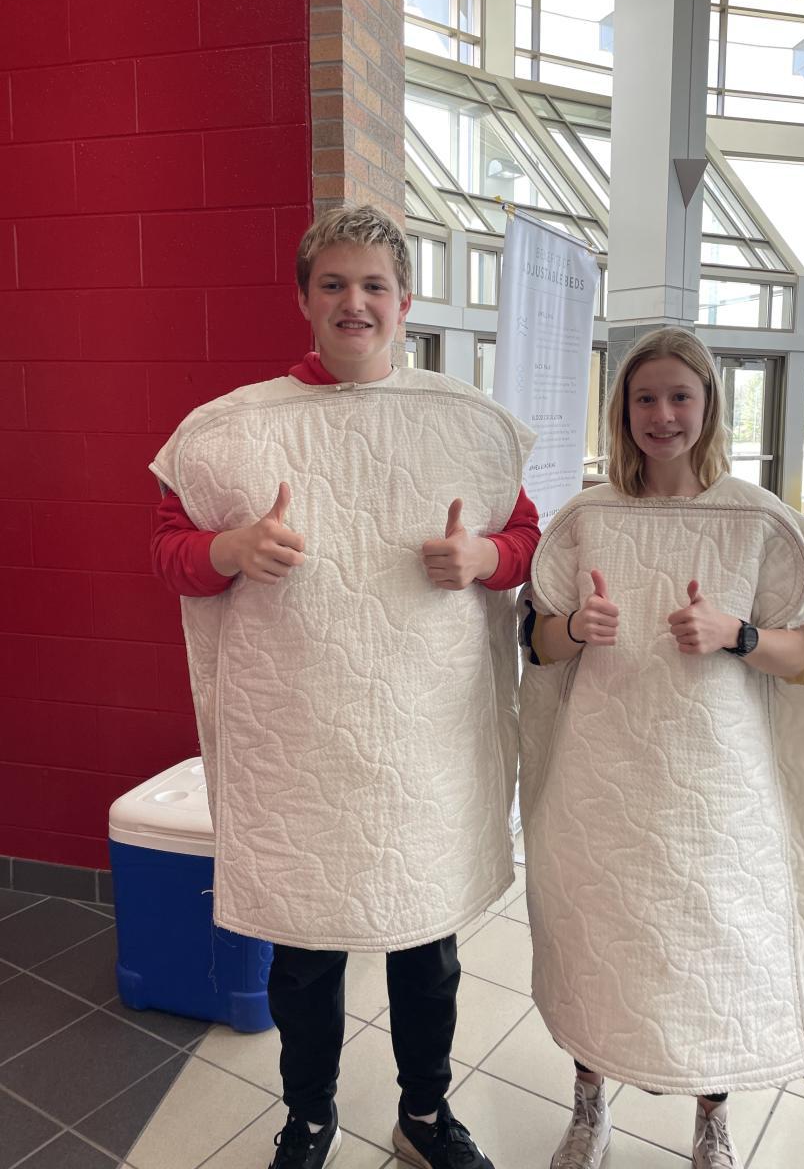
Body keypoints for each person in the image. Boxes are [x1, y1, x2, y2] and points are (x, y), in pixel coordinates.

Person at [151, 204, 540, 1169]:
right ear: (303, 298)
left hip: (422, 739)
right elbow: (169, 553)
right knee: (304, 946)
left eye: (374, 285)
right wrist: (230, 549)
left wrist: (484, 556)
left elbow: (527, 539)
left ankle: (424, 1114)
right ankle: (310, 1116)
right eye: (333, 284)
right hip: (302, 742)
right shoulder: (232, 433)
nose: (353, 302)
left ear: (406, 303)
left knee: (426, 945)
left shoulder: (465, 428)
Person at [517, 328, 804, 1169]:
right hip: (602, 776)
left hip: (716, 784)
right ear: (622, 410)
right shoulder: (586, 519)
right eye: (644, 397)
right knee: (596, 936)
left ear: (710, 405)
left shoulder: (757, 520)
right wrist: (577, 627)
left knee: (709, 943)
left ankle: (711, 1119)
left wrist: (737, 633)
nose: (662, 415)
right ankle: (589, 1105)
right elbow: (536, 644)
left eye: (680, 396)